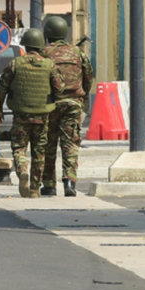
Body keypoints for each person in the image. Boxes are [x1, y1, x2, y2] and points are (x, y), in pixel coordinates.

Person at [0, 28, 63, 198]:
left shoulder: (15, 64)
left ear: (25, 46)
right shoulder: (50, 65)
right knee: (39, 151)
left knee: (19, 147)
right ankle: (34, 188)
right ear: (41, 45)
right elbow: (60, 88)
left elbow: (2, 88)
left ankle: (22, 170)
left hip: (21, 114)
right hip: (42, 115)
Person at [41, 14, 93, 197]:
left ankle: (48, 185)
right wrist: (82, 96)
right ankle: (69, 182)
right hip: (73, 104)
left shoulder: (43, 53)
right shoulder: (77, 52)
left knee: (48, 144)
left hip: (50, 104)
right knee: (70, 144)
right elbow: (88, 77)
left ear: (47, 34)